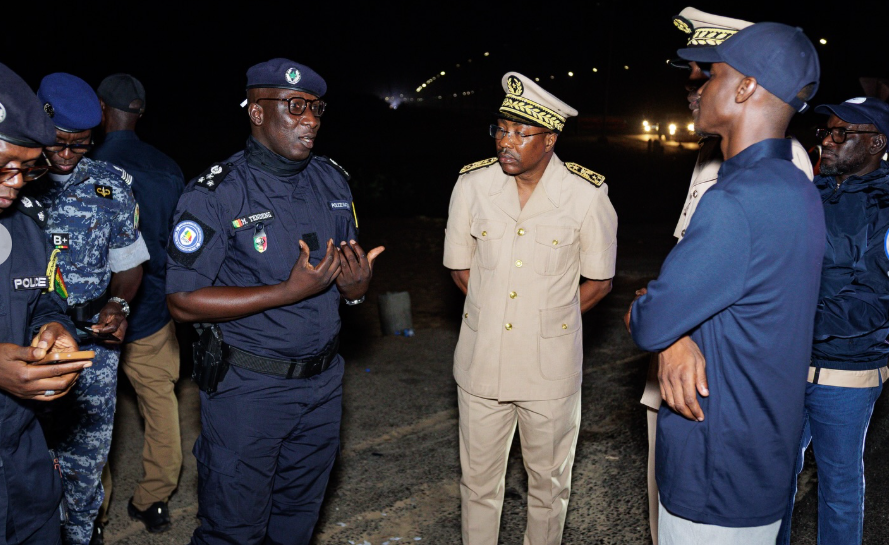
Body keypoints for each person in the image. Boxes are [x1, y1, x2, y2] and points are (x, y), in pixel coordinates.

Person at [165, 58, 383, 545]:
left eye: (316, 109)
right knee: (234, 529)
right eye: (295, 107)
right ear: (257, 112)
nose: (310, 120)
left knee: (296, 522)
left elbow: (346, 279)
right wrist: (285, 293)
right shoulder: (216, 193)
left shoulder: (331, 181)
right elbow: (181, 301)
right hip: (249, 390)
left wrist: (355, 291)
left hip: (323, 384)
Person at [625, 22, 824, 544]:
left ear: (744, 88)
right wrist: (679, 331)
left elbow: (648, 321)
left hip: (714, 466)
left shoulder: (737, 200)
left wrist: (660, 320)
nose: (699, 88)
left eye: (711, 75)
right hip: (760, 458)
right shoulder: (796, 188)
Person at [443, 72, 617, 545]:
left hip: (549, 371)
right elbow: (462, 270)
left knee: (548, 486)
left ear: (550, 140)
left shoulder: (586, 195)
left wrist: (548, 321)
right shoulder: (473, 185)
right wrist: (497, 311)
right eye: (501, 129)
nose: (506, 141)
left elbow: (599, 281)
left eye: (521, 133)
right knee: (477, 484)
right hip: (481, 362)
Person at [25, 73, 150, 545]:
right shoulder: (11, 180)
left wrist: (118, 303)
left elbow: (129, 264)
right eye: (57, 143)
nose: (65, 155)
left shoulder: (110, 185)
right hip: (23, 343)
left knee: (86, 458)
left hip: (92, 348)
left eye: (80, 146)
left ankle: (80, 534)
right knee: (25, 455)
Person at [777, 97, 889, 545]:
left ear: (877, 143)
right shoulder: (811, 190)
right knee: (774, 477)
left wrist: (794, 324)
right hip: (787, 361)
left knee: (839, 484)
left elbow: (877, 299)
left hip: (847, 369)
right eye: (825, 131)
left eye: (841, 133)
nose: (826, 140)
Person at [0, 62, 94, 545]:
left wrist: (56, 328)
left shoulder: (24, 221)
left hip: (23, 465)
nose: (16, 182)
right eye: (3, 165)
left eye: (27, 167)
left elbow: (42, 298)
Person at [90, 73, 185, 539]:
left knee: (88, 414)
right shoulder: (168, 168)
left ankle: (95, 512)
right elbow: (181, 245)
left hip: (96, 316)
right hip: (152, 311)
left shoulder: (84, 168)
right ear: (140, 111)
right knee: (161, 406)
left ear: (102, 111)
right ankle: (154, 500)